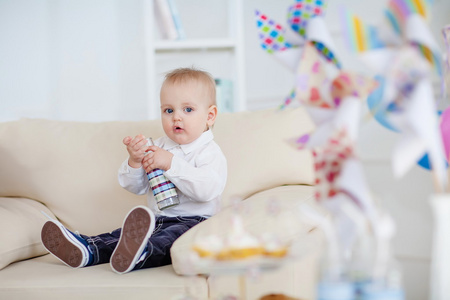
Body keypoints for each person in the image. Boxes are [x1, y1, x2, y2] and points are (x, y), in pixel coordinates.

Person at [41, 67, 227, 274]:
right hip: (156, 219)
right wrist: (135, 161)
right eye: (169, 110)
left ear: (210, 116)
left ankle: (141, 254)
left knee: (166, 241)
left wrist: (171, 163)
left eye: (188, 110)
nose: (176, 118)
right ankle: (87, 249)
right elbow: (136, 187)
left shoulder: (209, 152)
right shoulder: (158, 146)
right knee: (121, 236)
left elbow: (207, 190)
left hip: (195, 222)